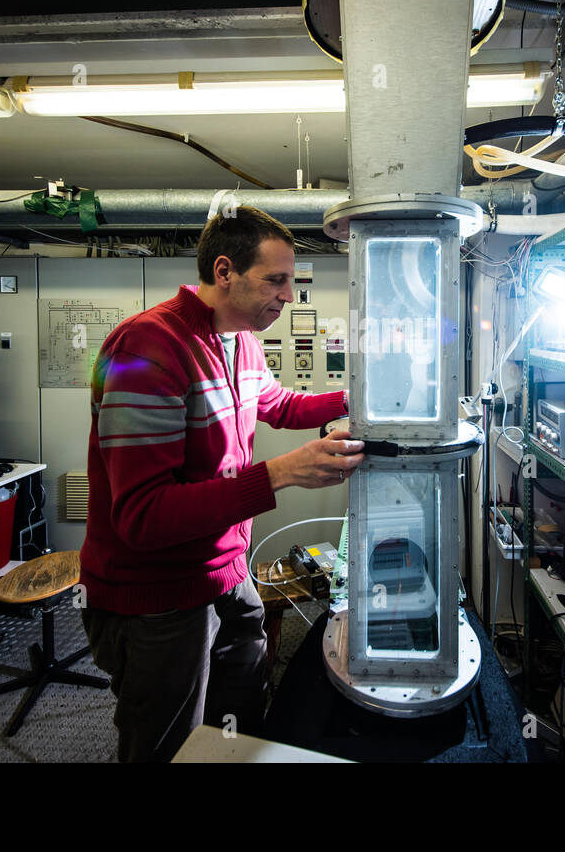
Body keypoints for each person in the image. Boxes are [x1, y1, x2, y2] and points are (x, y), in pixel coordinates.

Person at [79, 205, 363, 762]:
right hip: (157, 594)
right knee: (168, 740)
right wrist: (280, 473)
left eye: (292, 280)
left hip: (226, 572)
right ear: (226, 271)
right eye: (275, 280)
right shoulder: (147, 347)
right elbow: (143, 515)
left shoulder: (242, 340)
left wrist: (363, 402)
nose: (288, 294)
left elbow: (276, 404)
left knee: (239, 717)